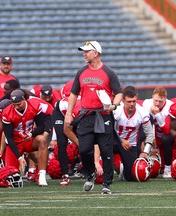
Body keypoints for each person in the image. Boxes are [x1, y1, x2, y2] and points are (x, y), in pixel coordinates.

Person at [64, 41, 123, 194]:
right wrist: (69, 113)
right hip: (86, 115)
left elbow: (119, 93)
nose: (84, 54)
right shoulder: (81, 72)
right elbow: (74, 94)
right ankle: (90, 174)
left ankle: (107, 184)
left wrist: (113, 106)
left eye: (87, 51)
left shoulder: (109, 72)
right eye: (83, 51)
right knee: (84, 150)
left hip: (104, 116)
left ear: (96, 53)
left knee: (106, 151)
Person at [2, 89, 49, 186]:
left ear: (24, 100)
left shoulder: (34, 106)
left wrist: (31, 134)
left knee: (41, 139)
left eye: (19, 104)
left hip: (29, 140)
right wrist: (19, 157)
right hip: (15, 143)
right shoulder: (7, 113)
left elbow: (41, 127)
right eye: (14, 105)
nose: (16, 107)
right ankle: (33, 166)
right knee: (11, 177)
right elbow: (9, 138)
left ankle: (42, 175)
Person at [113, 89, 154, 181]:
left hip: (130, 145)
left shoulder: (142, 113)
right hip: (114, 141)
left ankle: (124, 169)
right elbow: (110, 130)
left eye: (134, 101)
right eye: (129, 101)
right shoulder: (117, 111)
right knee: (102, 145)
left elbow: (150, 134)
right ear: (123, 101)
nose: (132, 104)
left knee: (132, 177)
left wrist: (145, 152)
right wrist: (121, 141)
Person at [142, 87, 176, 178]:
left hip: (170, 139)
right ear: (152, 97)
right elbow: (146, 126)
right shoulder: (146, 103)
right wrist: (153, 144)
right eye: (155, 100)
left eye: (160, 101)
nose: (157, 104)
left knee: (166, 138)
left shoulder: (171, 106)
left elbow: (167, 130)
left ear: (165, 99)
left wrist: (157, 114)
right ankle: (141, 161)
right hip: (154, 136)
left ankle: (167, 168)